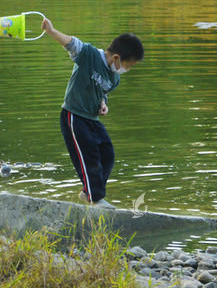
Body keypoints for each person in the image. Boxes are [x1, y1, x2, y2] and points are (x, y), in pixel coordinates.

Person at [42, 17, 144, 209]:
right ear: (116, 58)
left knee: (107, 153)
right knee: (88, 155)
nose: (127, 70)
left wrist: (103, 103)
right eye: (128, 65)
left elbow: (101, 92)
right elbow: (72, 44)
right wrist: (52, 31)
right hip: (74, 115)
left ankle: (88, 192)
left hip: (92, 118)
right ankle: (95, 199)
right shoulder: (89, 55)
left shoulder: (114, 79)